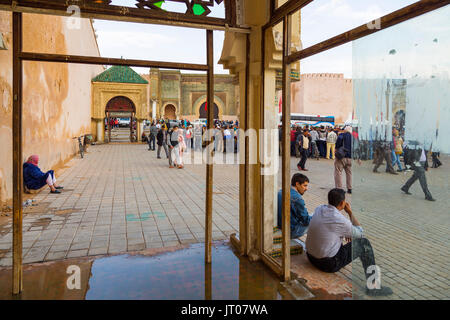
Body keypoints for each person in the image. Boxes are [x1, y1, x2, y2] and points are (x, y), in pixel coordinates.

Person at [306, 188, 393, 296]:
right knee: (364, 244)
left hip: (311, 257)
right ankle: (373, 286)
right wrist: (350, 212)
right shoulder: (339, 219)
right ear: (343, 203)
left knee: (339, 235)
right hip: (327, 264)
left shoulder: (319, 209)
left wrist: (346, 232)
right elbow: (360, 233)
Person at [277, 173, 311, 239]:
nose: (306, 189)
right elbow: (306, 220)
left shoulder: (281, 191)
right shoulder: (297, 198)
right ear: (297, 184)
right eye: (305, 186)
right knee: (318, 221)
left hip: (279, 226)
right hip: (291, 231)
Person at [334, 126, 352, 193]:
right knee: (349, 173)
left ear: (345, 130)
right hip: (350, 158)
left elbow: (338, 143)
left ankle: (339, 188)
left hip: (341, 157)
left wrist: (336, 149)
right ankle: (350, 188)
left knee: (338, 172)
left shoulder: (342, 135)